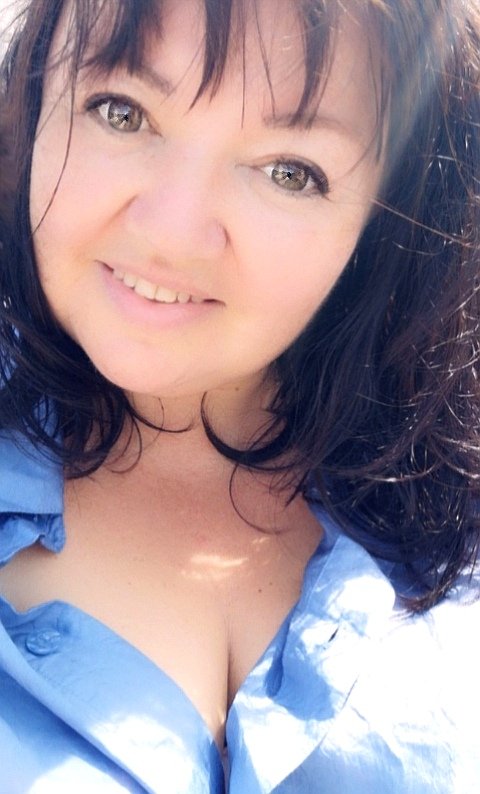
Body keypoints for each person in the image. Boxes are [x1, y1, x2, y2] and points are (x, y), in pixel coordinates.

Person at [0, 0, 479, 791]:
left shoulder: (451, 513)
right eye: (122, 113)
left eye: (289, 172)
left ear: (392, 216)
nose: (173, 233)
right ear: (34, 95)